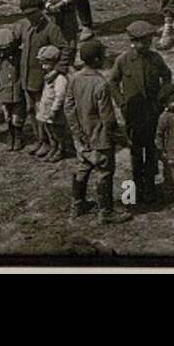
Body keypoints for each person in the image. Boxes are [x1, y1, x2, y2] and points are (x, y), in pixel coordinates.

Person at [64, 40, 132, 224]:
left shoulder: (75, 78)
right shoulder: (101, 84)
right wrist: (121, 138)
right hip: (101, 139)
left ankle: (77, 205)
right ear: (96, 59)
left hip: (82, 138)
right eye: (102, 56)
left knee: (83, 168)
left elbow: (69, 108)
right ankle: (106, 212)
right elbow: (108, 119)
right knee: (104, 173)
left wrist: (77, 134)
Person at [108, 19, 172, 205]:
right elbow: (112, 82)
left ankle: (150, 187)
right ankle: (134, 190)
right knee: (136, 152)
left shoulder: (155, 58)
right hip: (133, 114)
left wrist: (163, 97)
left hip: (152, 112)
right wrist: (121, 103)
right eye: (142, 41)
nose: (146, 44)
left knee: (152, 150)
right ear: (133, 41)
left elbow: (166, 76)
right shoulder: (123, 60)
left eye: (148, 41)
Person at [12, 0, 70, 156]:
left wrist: (57, 70)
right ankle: (41, 140)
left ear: (42, 10)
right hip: (27, 78)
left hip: (44, 80)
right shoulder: (25, 27)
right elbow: (14, 40)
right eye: (26, 14)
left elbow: (65, 49)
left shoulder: (51, 28)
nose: (29, 17)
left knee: (46, 113)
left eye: (33, 13)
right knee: (32, 110)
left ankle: (54, 144)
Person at [0, 25, 26, 151]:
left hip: (17, 89)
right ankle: (10, 133)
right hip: (4, 89)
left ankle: (18, 135)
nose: (5, 51)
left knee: (18, 114)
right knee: (7, 114)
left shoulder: (20, 55)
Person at [36, 45, 74, 162]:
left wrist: (54, 109)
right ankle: (54, 147)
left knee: (58, 131)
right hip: (46, 109)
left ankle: (61, 149)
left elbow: (60, 96)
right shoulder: (49, 75)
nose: (43, 67)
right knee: (50, 130)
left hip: (54, 111)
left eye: (46, 64)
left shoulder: (60, 78)